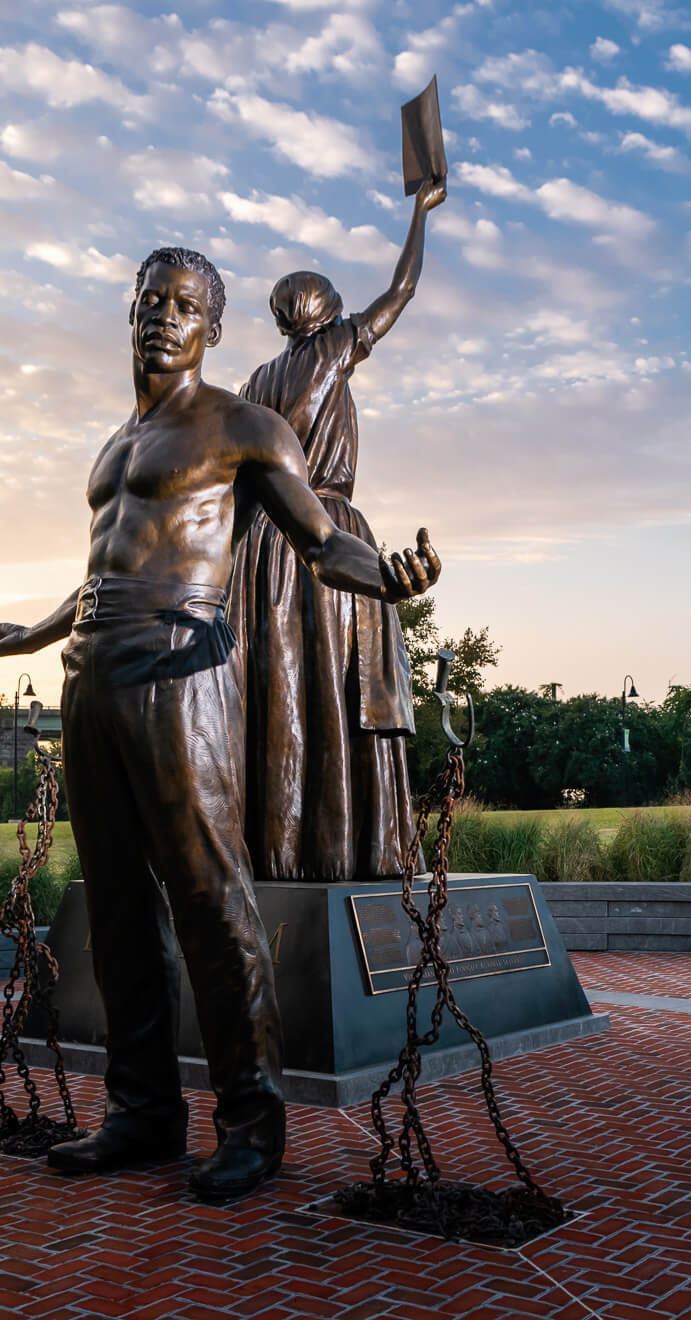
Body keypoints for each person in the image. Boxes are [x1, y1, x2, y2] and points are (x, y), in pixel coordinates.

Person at [0, 246, 439, 1203]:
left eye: (184, 306)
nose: (162, 318)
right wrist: (30, 637)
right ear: (130, 312)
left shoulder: (245, 426)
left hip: (183, 667)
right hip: (92, 672)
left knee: (213, 903)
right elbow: (105, 570)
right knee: (121, 911)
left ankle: (252, 1124)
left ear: (213, 328)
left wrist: (389, 580)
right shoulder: (113, 446)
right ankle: (142, 1113)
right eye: (150, 301)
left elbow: (321, 543)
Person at [231, 176, 444, 883]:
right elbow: (403, 289)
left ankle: (275, 851)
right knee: (338, 690)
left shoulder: (253, 383)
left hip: (262, 548)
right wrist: (420, 213)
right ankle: (357, 848)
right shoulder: (334, 349)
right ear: (323, 313)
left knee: (280, 695)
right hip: (325, 532)